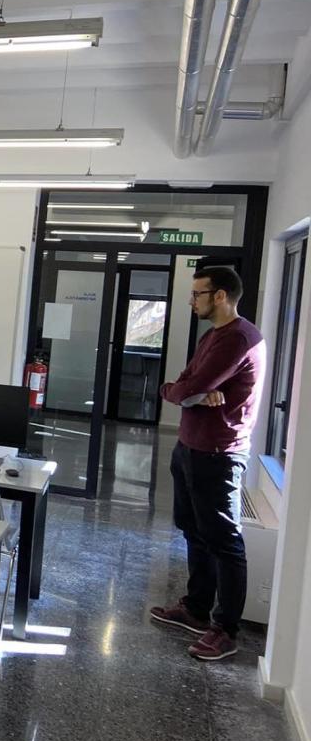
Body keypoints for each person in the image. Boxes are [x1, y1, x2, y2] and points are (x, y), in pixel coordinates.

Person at [150, 265, 265, 661]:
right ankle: (196, 609)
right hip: (190, 447)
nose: (191, 301)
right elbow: (184, 384)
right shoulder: (213, 336)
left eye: (197, 294)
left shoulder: (239, 338)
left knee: (224, 541)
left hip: (218, 453)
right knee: (193, 531)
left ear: (220, 296)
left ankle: (226, 629)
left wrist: (189, 392)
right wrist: (183, 391)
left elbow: (191, 387)